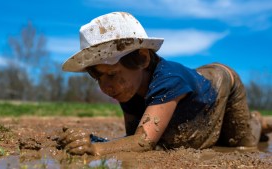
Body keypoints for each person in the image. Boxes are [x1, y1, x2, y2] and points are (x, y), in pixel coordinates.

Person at [57, 12, 272, 155]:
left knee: (240, 143)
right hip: (196, 84)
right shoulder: (127, 89)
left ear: (142, 58)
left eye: (112, 74)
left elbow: (143, 142)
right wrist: (94, 140)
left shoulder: (168, 81)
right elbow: (134, 139)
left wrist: (95, 149)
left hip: (223, 81)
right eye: (98, 77)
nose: (105, 86)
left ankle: (258, 123)